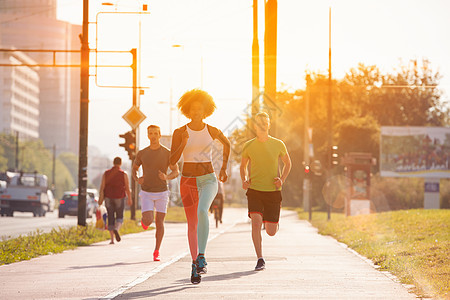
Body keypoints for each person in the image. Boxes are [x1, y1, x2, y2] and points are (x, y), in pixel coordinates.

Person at [170, 89, 230, 284]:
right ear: (188, 111)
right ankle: (195, 264)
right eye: (193, 110)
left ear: (206, 111)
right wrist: (183, 144)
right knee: (192, 224)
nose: (196, 112)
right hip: (187, 180)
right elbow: (172, 160)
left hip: (208, 179)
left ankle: (202, 256)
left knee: (203, 211)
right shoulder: (180, 132)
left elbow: (227, 144)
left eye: (200, 109)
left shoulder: (211, 129)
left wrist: (224, 168)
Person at [240, 112, 292, 271]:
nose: (262, 125)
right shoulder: (248, 145)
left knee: (271, 232)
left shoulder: (278, 144)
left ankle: (272, 219)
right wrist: (245, 179)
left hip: (273, 191)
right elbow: (243, 166)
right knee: (255, 223)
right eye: (259, 123)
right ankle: (260, 258)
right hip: (255, 190)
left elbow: (288, 163)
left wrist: (281, 179)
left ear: (268, 125)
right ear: (255, 125)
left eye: (265, 123)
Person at [132, 125, 180, 261]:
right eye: (150, 133)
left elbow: (176, 171)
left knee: (159, 222)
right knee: (149, 220)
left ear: (159, 135)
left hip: (162, 192)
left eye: (155, 133)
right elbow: (134, 169)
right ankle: (144, 221)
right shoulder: (142, 153)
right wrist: (137, 179)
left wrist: (166, 177)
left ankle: (156, 251)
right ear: (148, 135)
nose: (153, 136)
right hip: (146, 191)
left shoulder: (167, 153)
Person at [98, 157, 132, 244]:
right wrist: (130, 198)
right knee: (120, 216)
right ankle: (116, 229)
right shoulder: (123, 174)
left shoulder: (106, 173)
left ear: (113, 163)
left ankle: (112, 240)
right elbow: (127, 188)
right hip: (119, 197)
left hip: (108, 197)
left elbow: (102, 187)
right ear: (120, 163)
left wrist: (100, 199)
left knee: (110, 216)